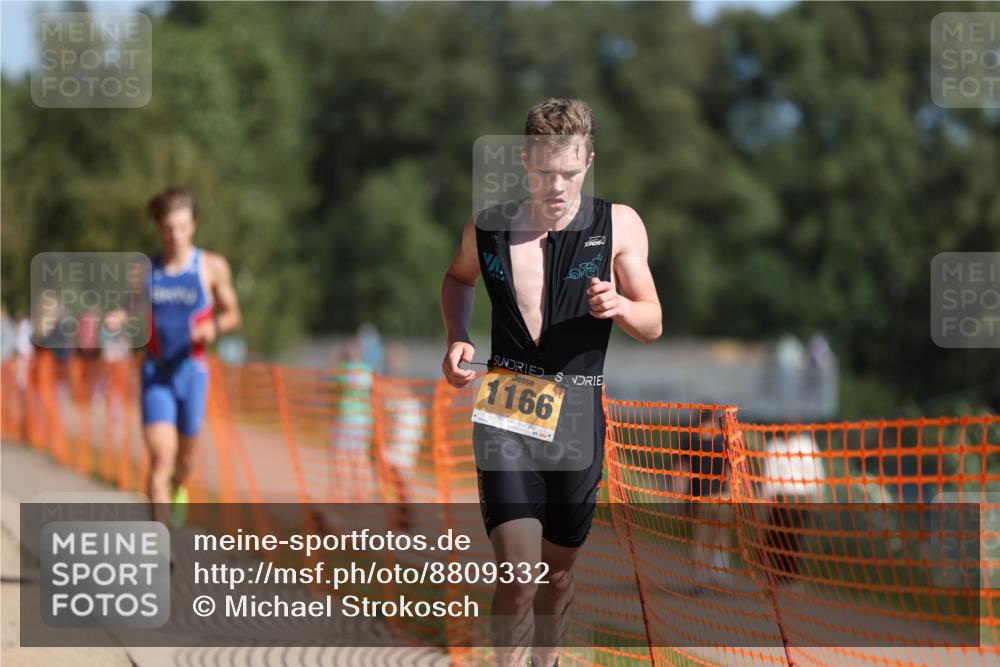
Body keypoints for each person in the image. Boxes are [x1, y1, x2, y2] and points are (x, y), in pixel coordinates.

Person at [440, 98, 662, 667]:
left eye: (569, 172)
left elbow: (653, 321)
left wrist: (621, 305)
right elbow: (458, 279)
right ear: (524, 160)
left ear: (589, 162)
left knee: (556, 575)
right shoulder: (488, 227)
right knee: (519, 575)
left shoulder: (618, 225)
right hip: (506, 411)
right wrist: (457, 335)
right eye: (543, 171)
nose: (556, 185)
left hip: (578, 419)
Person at [141, 187, 241, 524]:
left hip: (193, 373)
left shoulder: (211, 267)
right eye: (169, 228)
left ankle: (179, 484)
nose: (176, 235)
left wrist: (214, 326)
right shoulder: (145, 271)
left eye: (182, 227)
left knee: (184, 462)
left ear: (193, 226)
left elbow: (233, 314)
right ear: (159, 228)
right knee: (161, 459)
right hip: (157, 375)